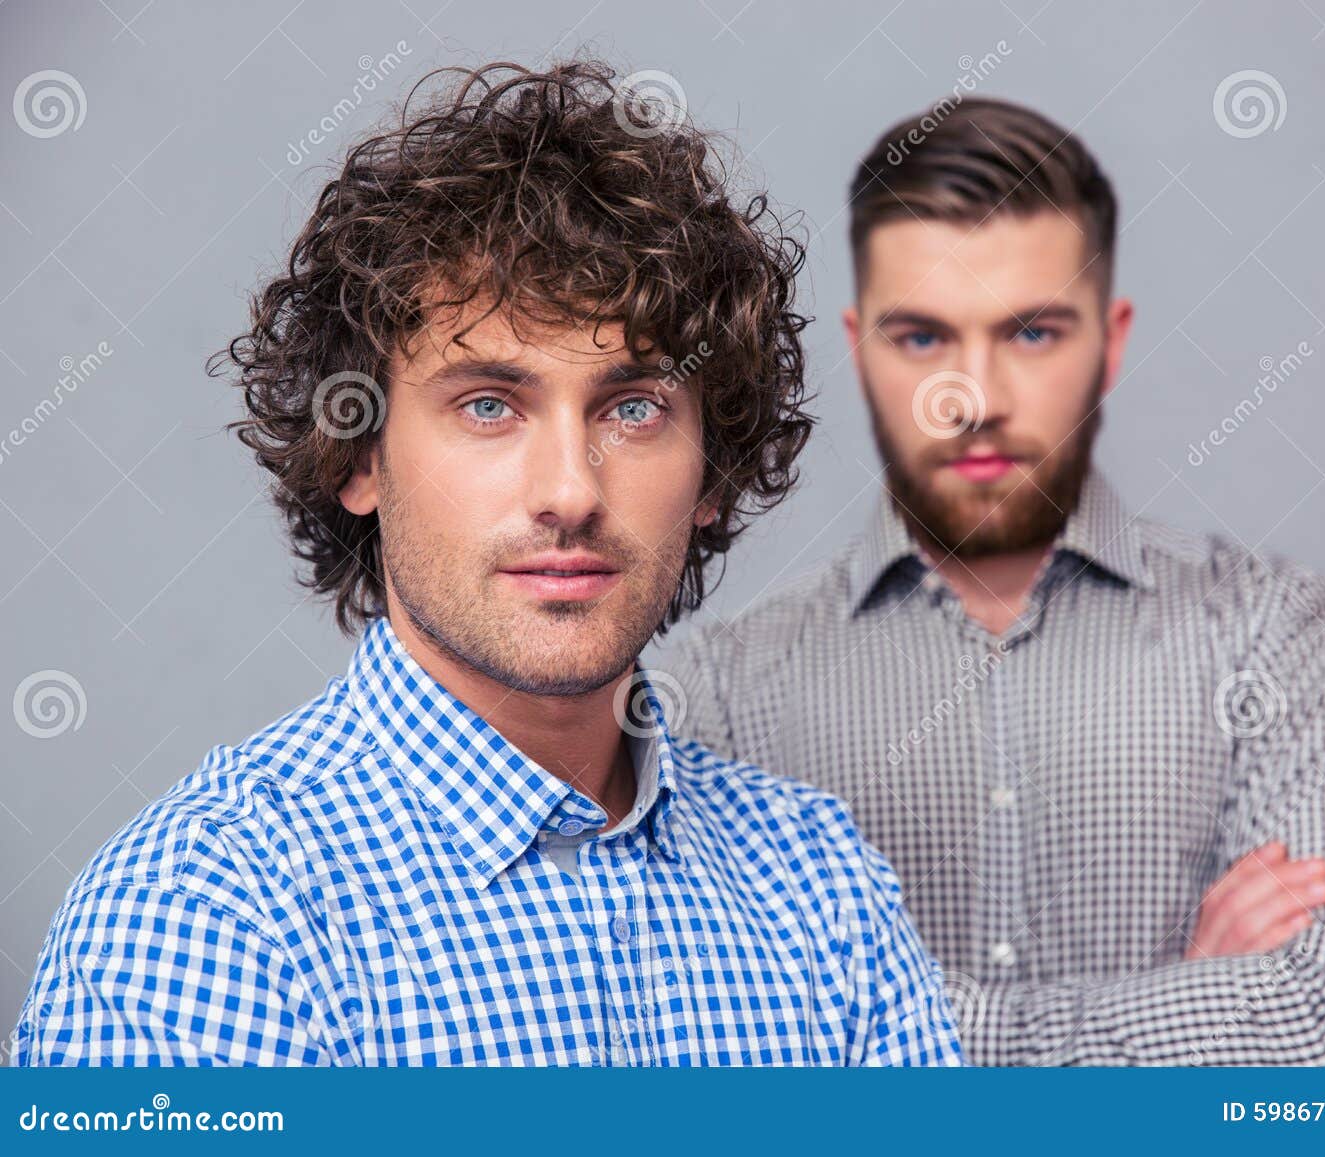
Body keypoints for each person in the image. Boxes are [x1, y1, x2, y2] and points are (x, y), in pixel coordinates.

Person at [11, 61, 962, 1067]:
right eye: (488, 405)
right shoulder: (209, 920)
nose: (570, 490)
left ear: (712, 470)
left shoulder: (822, 888)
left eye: (632, 407)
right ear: (360, 454)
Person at [660, 96, 1325, 1065]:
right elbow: (730, 1054)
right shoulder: (712, 693)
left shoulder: (1282, 636)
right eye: (923, 337)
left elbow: (1320, 1038)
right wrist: (1186, 1010)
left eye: (1030, 333)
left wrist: (878, 1028)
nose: (973, 398)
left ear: (1111, 338)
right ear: (859, 347)